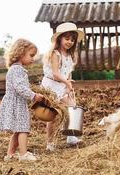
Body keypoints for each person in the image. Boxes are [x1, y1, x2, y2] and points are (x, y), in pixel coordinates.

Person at [0, 39, 44, 161]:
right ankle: (23, 154)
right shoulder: (17, 69)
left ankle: (10, 155)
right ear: (21, 53)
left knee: (18, 130)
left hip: (15, 102)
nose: (33, 59)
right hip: (16, 103)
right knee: (23, 129)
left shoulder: (15, 68)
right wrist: (34, 96)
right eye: (31, 55)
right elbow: (20, 88)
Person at [41, 22, 84, 151]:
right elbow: (55, 73)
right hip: (51, 86)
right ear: (59, 39)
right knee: (52, 115)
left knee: (71, 108)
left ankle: (71, 137)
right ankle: (50, 143)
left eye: (72, 39)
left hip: (62, 84)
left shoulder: (70, 55)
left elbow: (68, 72)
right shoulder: (55, 53)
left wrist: (69, 85)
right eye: (67, 38)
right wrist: (66, 82)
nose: (70, 41)